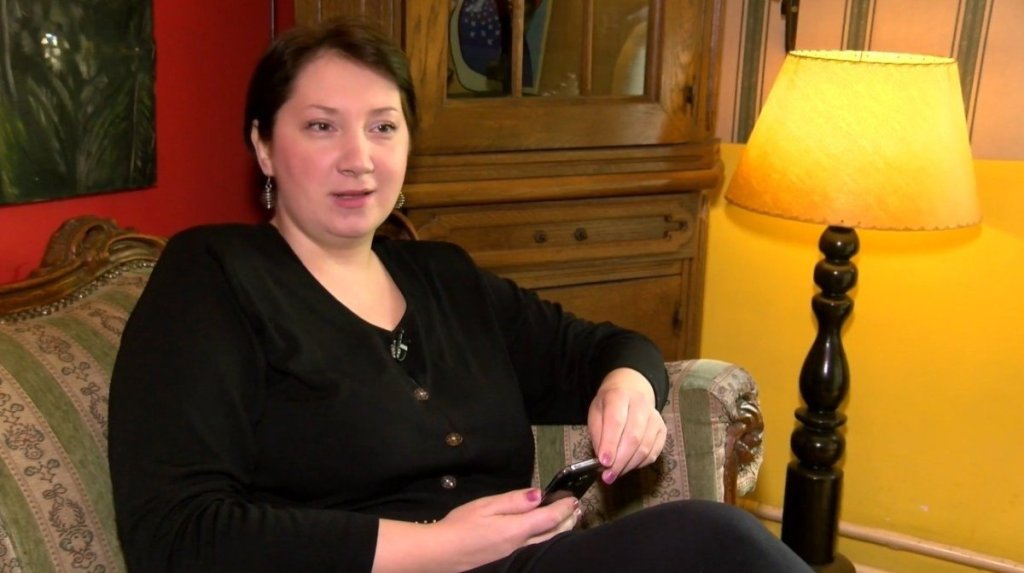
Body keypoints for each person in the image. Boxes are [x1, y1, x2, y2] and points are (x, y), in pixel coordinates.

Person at [107, 17, 812, 573]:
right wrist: (437, 546)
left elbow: (602, 348)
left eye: (383, 126)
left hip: (517, 565)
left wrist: (627, 385)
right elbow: (177, 533)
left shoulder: (442, 277)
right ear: (263, 146)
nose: (359, 158)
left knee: (714, 540)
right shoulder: (213, 274)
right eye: (321, 126)